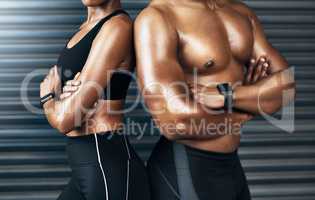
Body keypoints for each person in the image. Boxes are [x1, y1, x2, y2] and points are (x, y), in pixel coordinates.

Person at [134, 0, 295, 199]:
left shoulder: (240, 12)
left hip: (232, 167)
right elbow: (175, 121)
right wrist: (246, 110)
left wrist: (227, 96)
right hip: (185, 169)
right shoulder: (158, 17)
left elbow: (286, 86)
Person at [39, 0, 150, 199]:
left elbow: (66, 120)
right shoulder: (85, 28)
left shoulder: (117, 27)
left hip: (106, 163)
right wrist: (62, 100)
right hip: (86, 163)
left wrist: (48, 98)